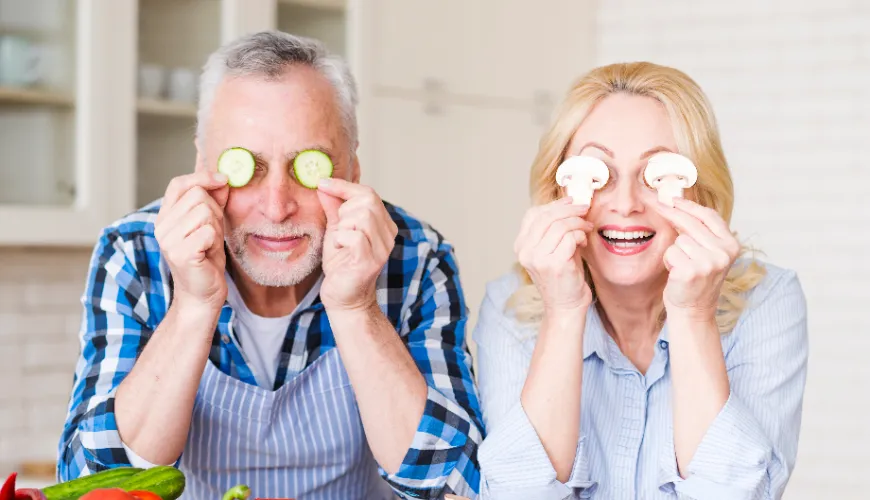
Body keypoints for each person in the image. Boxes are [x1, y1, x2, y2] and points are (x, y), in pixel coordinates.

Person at [57, 31, 483, 500]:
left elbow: (457, 484)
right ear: (202, 163)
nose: (277, 207)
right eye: (248, 167)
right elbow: (89, 484)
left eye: (309, 166)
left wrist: (356, 307)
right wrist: (194, 305)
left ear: (353, 171)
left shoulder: (416, 256)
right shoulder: (134, 252)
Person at [473, 62, 808, 499]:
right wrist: (562, 311)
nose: (626, 204)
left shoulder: (768, 300)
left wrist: (693, 314)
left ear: (699, 190)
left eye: (657, 176)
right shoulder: (509, 307)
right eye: (598, 174)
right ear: (559, 191)